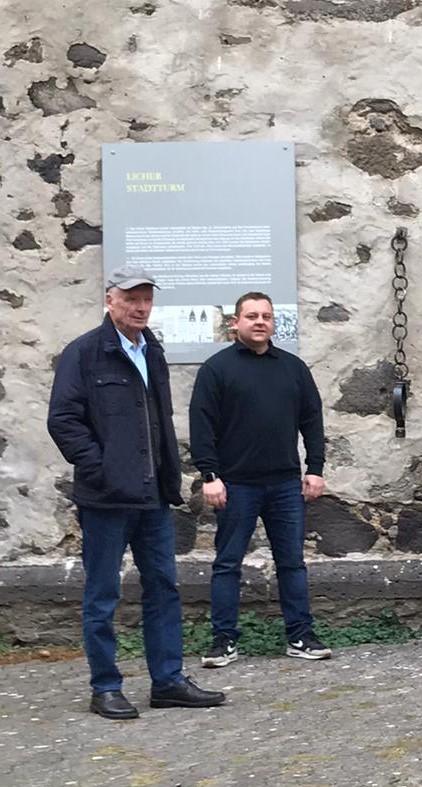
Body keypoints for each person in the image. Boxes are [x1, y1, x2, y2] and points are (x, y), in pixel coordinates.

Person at [47, 266, 226, 720]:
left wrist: (169, 476)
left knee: (164, 588)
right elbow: (63, 421)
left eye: (146, 298)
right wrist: (102, 468)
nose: (140, 307)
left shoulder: (154, 351)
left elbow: (157, 422)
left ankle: (167, 681)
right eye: (131, 299)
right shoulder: (85, 353)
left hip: (153, 497)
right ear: (110, 300)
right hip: (106, 499)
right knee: (102, 594)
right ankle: (105, 687)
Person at [189, 292, 331, 667]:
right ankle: (223, 640)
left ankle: (300, 635)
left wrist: (315, 468)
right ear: (235, 322)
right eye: (251, 315)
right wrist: (210, 475)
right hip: (235, 485)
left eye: (266, 316)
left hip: (285, 484)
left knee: (292, 562)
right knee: (227, 563)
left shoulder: (293, 368)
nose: (260, 322)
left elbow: (312, 421)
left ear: (273, 323)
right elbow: (201, 426)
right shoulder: (216, 370)